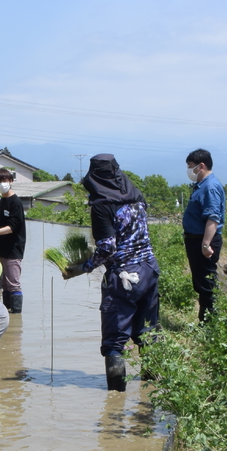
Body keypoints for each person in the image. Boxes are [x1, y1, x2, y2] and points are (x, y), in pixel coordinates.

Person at [65, 154, 160, 391]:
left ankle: (115, 406)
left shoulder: (102, 204)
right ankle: (152, 393)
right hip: (149, 270)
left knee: (114, 342)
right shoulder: (135, 195)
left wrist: (83, 267)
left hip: (124, 278)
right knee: (147, 332)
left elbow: (107, 247)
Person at [181, 149, 225, 322]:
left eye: (190, 167)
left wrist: (206, 244)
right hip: (195, 239)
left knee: (206, 284)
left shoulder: (210, 187)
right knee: (200, 282)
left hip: (203, 240)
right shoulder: (201, 185)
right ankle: (205, 320)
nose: (189, 170)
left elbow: (213, 218)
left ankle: (209, 323)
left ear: (201, 166)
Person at [0, 168, 26, 313]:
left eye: (4, 181)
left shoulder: (15, 202)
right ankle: (7, 311)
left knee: (13, 283)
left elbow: (12, 227)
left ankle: (16, 313)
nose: (2, 184)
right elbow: (0, 223)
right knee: (4, 283)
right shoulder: (2, 201)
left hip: (13, 248)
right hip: (1, 248)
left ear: (11, 181)